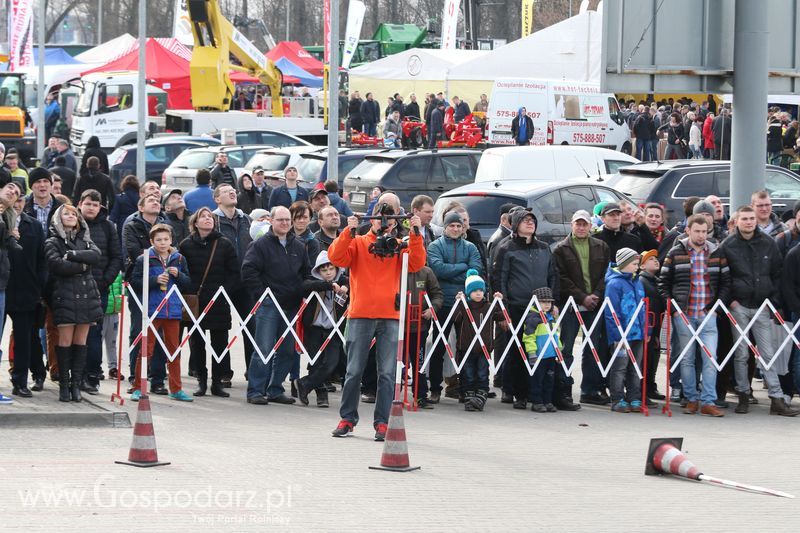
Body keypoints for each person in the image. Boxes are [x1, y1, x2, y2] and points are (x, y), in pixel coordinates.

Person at [328, 202, 426, 440]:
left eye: (389, 219)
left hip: (389, 316)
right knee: (353, 371)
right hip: (360, 314)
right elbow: (336, 257)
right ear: (371, 220)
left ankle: (382, 422)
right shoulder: (360, 242)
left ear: (395, 222)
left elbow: (417, 263)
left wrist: (415, 234)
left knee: (387, 373)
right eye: (380, 218)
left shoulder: (399, 245)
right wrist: (348, 231)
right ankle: (347, 418)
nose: (384, 222)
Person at [720, 205, 798, 416]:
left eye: (751, 218)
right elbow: (723, 276)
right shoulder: (728, 245)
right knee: (742, 354)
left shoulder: (768, 243)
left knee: (768, 354)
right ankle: (743, 395)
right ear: (737, 221)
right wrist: (732, 301)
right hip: (739, 306)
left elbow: (778, 272)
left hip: (763, 305)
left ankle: (776, 398)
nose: (748, 222)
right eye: (744, 218)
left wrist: (772, 300)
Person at [242, 206, 314, 405]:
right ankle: (255, 390)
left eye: (287, 220)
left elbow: (306, 273)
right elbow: (248, 271)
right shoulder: (260, 245)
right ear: (271, 221)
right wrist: (262, 296)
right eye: (280, 219)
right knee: (263, 348)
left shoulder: (299, 246)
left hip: (292, 306)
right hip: (269, 306)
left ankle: (275, 389)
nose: (284, 223)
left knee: (288, 351)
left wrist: (304, 290)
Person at [659, 215, 729, 417]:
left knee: (710, 358)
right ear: (688, 230)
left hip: (708, 314)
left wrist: (716, 308)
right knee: (687, 358)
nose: (701, 235)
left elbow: (726, 281)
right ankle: (691, 398)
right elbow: (664, 282)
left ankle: (708, 401)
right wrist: (673, 308)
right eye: (697, 231)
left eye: (704, 231)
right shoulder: (675, 252)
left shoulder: (716, 252)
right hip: (684, 313)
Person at [491, 208, 559, 410]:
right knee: (517, 351)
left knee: (542, 349)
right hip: (517, 306)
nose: (530, 223)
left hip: (542, 308)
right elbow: (498, 279)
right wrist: (501, 311)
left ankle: (536, 393)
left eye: (532, 220)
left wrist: (553, 303)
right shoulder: (506, 248)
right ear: (516, 224)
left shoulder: (545, 248)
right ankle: (516, 392)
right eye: (525, 220)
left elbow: (552, 275)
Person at [44, 204, 104, 402]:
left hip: (87, 294)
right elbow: (57, 265)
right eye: (66, 214)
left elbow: (96, 256)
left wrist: (73, 256)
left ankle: (76, 385)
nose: (70, 216)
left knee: (81, 341)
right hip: (65, 295)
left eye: (73, 214)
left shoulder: (85, 239)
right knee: (64, 341)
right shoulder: (53, 241)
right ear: (58, 219)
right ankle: (63, 385)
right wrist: (83, 265)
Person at [178, 207, 239, 398]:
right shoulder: (186, 245)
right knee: (197, 343)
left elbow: (234, 273)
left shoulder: (224, 244)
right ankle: (201, 381)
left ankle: (217, 383)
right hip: (195, 301)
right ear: (195, 222)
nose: (207, 219)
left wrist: (223, 292)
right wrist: (188, 291)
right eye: (202, 217)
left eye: (210, 217)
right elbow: (182, 272)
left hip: (218, 301)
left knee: (219, 344)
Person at [552, 210, 610, 408]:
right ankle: (563, 391)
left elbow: (605, 274)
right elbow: (561, 278)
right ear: (572, 225)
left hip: (594, 304)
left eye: (584, 224)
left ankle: (589, 390)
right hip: (570, 306)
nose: (581, 227)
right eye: (578, 223)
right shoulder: (560, 249)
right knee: (566, 349)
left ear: (590, 226)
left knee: (592, 349)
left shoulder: (601, 246)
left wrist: (596, 295)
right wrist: (582, 297)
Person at [129, 224, 193, 402]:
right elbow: (135, 282)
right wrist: (154, 280)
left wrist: (178, 275)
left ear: (171, 240)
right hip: (151, 309)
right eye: (158, 240)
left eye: (166, 239)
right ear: (152, 241)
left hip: (173, 310)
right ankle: (138, 387)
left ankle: (176, 389)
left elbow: (189, 283)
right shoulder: (144, 259)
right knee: (146, 350)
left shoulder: (179, 259)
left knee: (174, 350)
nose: (163, 243)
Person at [426, 211, 483, 403]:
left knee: (465, 347)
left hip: (465, 305)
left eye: (459, 226)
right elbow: (438, 270)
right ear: (445, 226)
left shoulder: (471, 247)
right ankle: (435, 388)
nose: (456, 229)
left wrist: (457, 271)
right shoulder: (435, 246)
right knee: (438, 346)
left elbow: (476, 271)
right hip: (443, 302)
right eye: (452, 225)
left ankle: (465, 388)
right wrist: (464, 267)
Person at [122, 194, 168, 390]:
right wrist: (161, 253)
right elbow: (135, 253)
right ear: (141, 207)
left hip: (164, 282)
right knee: (138, 330)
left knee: (160, 332)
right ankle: (136, 376)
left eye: (157, 200)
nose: (156, 202)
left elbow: (173, 250)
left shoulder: (166, 224)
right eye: (151, 200)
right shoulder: (131, 226)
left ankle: (157, 379)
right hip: (139, 283)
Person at [79, 189, 122, 394]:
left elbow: (116, 257)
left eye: (95, 205)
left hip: (99, 288)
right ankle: (74, 375)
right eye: (88, 203)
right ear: (80, 204)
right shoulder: (72, 222)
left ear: (101, 207)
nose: (91, 208)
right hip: (74, 287)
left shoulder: (108, 227)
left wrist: (105, 281)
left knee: (94, 334)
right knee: (75, 334)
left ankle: (92, 376)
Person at [293, 251, 350, 408]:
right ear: (318, 271)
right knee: (316, 363)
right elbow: (305, 286)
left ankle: (304, 383)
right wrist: (329, 285)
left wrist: (345, 286)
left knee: (331, 362)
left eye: (331, 269)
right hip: (314, 328)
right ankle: (321, 395)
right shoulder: (312, 282)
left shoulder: (343, 280)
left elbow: (352, 282)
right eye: (324, 270)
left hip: (334, 329)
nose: (328, 273)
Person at [6, 184, 46, 397]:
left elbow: (42, 260)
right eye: (15, 199)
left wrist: (40, 288)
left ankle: (20, 381)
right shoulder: (3, 222)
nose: (18, 204)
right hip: (3, 286)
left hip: (26, 290)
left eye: (21, 200)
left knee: (24, 339)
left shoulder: (34, 226)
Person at [212, 183, 254, 380]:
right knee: (220, 327)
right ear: (217, 199)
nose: (232, 192)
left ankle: (253, 370)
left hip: (245, 281)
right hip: (222, 280)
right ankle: (223, 373)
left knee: (251, 326)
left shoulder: (246, 219)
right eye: (226, 191)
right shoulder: (212, 219)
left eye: (233, 190)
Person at [452, 271, 505, 412]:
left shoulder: (489, 306)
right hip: (467, 347)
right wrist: (458, 302)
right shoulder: (464, 306)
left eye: (481, 290)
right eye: (474, 290)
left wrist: (499, 302)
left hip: (484, 348)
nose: (478, 293)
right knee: (468, 374)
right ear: (469, 292)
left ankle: (480, 397)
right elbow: (455, 319)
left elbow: (502, 319)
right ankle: (469, 398)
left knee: (482, 374)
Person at [604, 248, 646, 413]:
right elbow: (611, 311)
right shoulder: (614, 284)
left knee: (635, 367)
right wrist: (617, 334)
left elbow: (642, 309)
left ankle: (634, 397)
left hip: (638, 333)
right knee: (620, 367)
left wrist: (645, 331)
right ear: (625, 264)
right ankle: (617, 398)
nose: (637, 267)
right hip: (621, 335)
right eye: (635, 264)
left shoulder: (638, 282)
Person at [523, 286, 561, 413]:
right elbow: (528, 337)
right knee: (537, 380)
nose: (547, 304)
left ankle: (547, 401)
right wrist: (532, 352)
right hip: (539, 356)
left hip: (550, 355)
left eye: (549, 302)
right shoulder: (533, 318)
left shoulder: (550, 317)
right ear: (536, 302)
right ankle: (537, 401)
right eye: (543, 302)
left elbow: (555, 336)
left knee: (549, 380)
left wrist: (558, 350)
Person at [109, 175, 140, 242]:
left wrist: (109, 224)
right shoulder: (141, 198)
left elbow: (114, 213)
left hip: (123, 224)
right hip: (138, 223)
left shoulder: (119, 198)